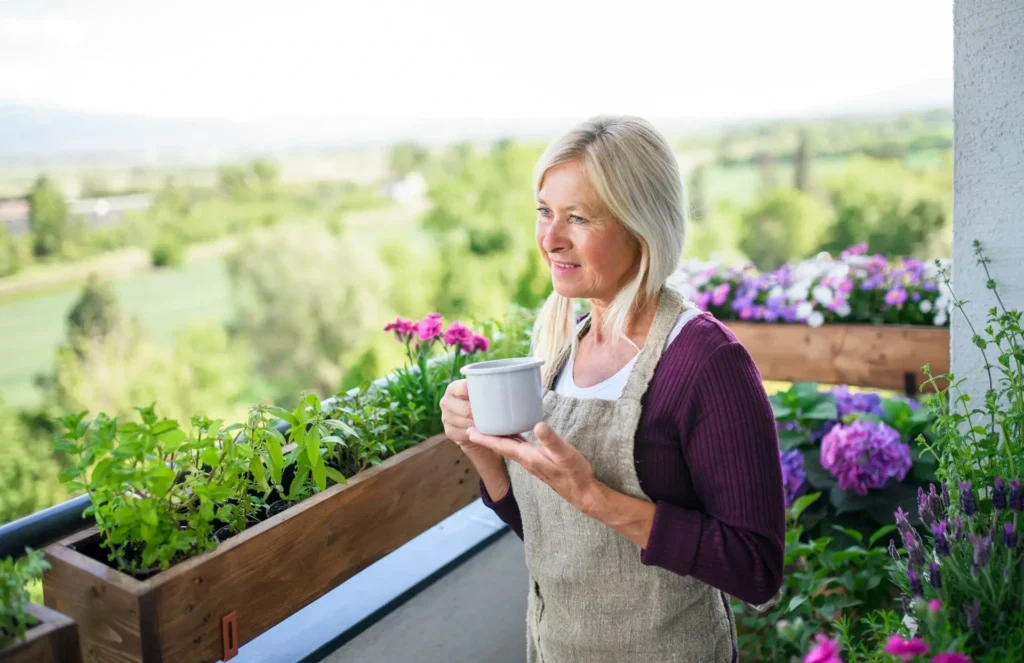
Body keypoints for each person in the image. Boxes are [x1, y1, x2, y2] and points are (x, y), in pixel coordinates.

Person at [439, 115, 785, 662]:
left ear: (641, 227)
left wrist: (594, 496)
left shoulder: (706, 362)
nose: (551, 238)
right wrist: (480, 450)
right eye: (545, 212)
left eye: (577, 217)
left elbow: (756, 569)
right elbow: (553, 539)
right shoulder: (557, 349)